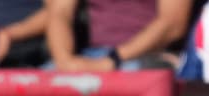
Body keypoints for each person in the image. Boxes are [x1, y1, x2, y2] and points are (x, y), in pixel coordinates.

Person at [45, 0, 191, 71]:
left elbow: (173, 24)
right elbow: (59, 13)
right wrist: (65, 61)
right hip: (90, 55)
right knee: (38, 83)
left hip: (148, 56)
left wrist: (112, 60)